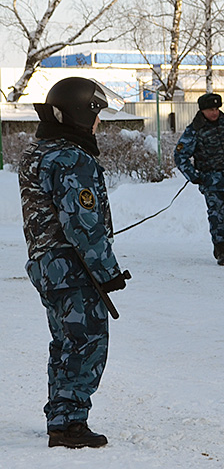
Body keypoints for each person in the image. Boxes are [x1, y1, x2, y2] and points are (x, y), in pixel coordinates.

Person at [18, 77, 129, 448]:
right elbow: (82, 224)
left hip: (46, 265)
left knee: (64, 342)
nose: (98, 123)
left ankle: (61, 417)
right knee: (86, 343)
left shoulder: (38, 151)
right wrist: (107, 271)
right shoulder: (71, 158)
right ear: (82, 112)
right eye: (96, 114)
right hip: (73, 268)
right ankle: (70, 424)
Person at [175, 92, 224, 265]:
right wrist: (194, 176)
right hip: (210, 181)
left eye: (216, 108)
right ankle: (220, 248)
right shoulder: (194, 130)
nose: (214, 112)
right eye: (210, 109)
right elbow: (180, 156)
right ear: (202, 110)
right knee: (216, 214)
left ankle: (223, 238)